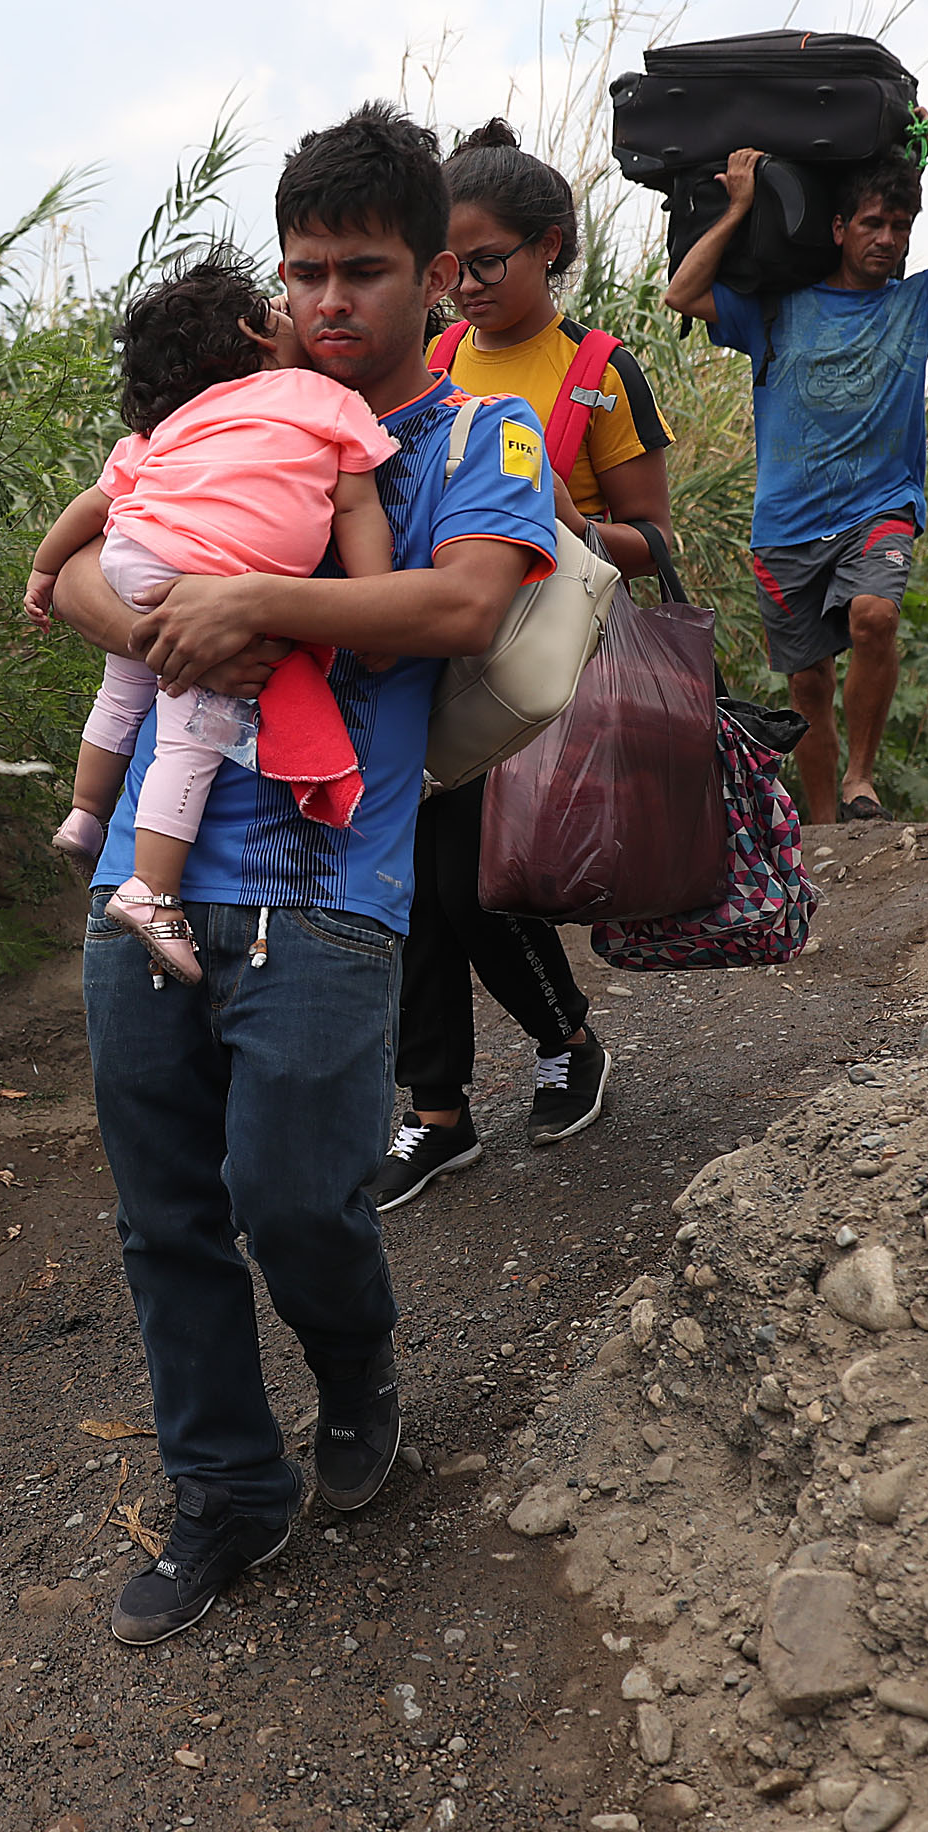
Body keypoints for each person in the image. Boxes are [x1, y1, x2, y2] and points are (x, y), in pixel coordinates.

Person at [46, 104, 559, 1646]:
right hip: (151, 871)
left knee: (293, 1199)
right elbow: (80, 560)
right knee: (165, 1218)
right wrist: (159, 626)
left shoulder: (479, 438)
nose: (329, 303)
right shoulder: (230, 408)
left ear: (435, 284)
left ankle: (355, 1365)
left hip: (332, 892)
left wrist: (256, 598)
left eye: (365, 272)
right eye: (305, 271)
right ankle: (226, 1493)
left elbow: (466, 607)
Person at [373, 122, 681, 1205]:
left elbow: (656, 540)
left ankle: (567, 1040)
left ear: (551, 247)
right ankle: (437, 1110)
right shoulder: (439, 361)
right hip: (434, 648)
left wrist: (558, 519)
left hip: (538, 667)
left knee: (473, 887)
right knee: (411, 884)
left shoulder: (599, 374)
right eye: (449, 266)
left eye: (487, 261)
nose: (464, 287)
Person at [27, 255, 397, 980]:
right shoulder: (325, 396)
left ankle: (82, 812)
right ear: (257, 335)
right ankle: (151, 889)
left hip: (134, 557)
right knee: (190, 739)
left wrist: (44, 568)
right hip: (207, 577)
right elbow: (357, 506)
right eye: (283, 309)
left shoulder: (182, 417)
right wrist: (374, 601)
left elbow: (99, 502)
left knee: (124, 689)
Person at [663, 118, 928, 822]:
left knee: (875, 616)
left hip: (878, 509)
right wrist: (738, 207)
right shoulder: (776, 311)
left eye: (901, 226)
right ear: (837, 229)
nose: (888, 239)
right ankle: (826, 828)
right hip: (785, 527)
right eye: (873, 223)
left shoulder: (919, 305)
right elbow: (681, 293)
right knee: (808, 687)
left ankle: (861, 778)